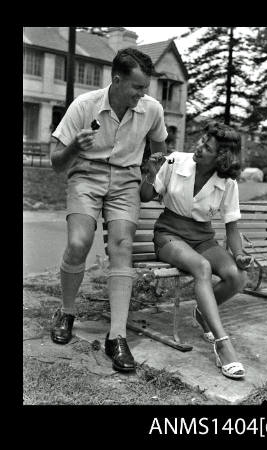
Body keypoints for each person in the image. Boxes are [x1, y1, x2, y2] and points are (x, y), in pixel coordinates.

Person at [49, 47, 168, 373]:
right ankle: (67, 311)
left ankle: (117, 336)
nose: (142, 94)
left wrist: (152, 170)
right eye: (137, 87)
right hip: (86, 178)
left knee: (122, 246)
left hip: (126, 184)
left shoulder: (151, 110)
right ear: (117, 80)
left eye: (145, 88)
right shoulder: (84, 106)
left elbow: (160, 149)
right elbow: (57, 164)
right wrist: (75, 146)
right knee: (78, 243)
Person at [140, 122, 253, 380]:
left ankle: (202, 311)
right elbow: (145, 195)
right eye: (202, 141)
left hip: (202, 238)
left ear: (221, 158)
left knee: (237, 276)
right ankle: (223, 345)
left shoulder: (227, 183)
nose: (199, 147)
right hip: (169, 235)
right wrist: (150, 172)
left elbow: (232, 228)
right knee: (202, 267)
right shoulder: (175, 161)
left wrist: (239, 254)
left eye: (208, 147)